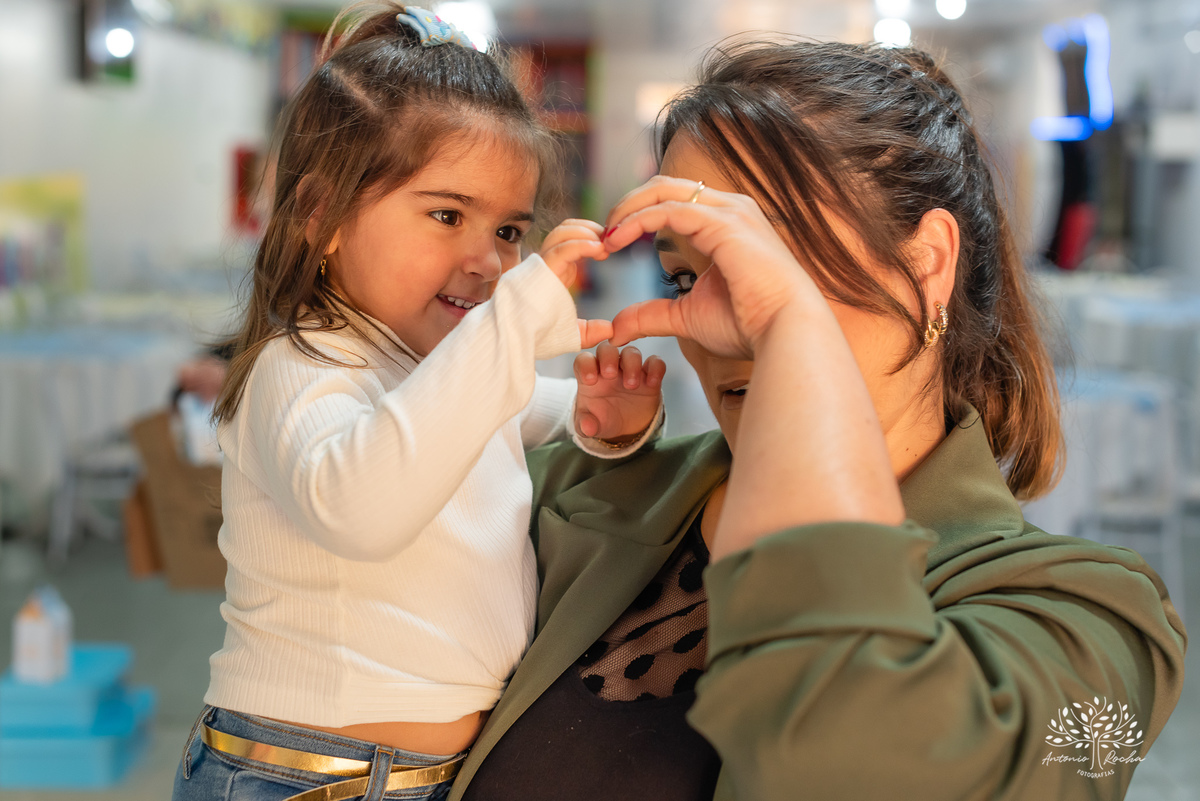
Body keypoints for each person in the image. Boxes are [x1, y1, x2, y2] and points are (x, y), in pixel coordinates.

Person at [449, 40, 1187, 800]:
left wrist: (794, 335)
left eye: (769, 260)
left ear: (928, 264)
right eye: (685, 274)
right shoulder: (584, 483)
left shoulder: (1097, 622)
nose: (719, 319)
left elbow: (847, 758)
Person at [171, 5, 664, 801]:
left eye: (510, 232)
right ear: (320, 216)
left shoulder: (448, 364)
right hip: (302, 775)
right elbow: (363, 506)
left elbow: (545, 413)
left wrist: (608, 418)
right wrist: (514, 320)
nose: (486, 259)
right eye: (446, 214)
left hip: (425, 777)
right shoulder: (301, 364)